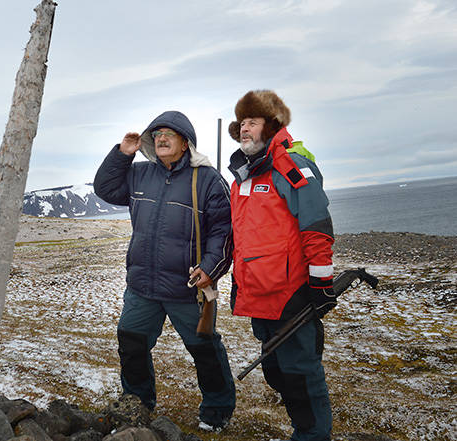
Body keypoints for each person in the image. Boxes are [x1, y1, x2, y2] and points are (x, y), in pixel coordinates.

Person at [93, 110, 236, 430]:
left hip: (187, 286)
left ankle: (217, 410)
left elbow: (224, 231)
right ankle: (137, 404)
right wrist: (122, 154)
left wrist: (211, 268)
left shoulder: (208, 179)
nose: (160, 138)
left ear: (186, 143)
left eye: (169, 134)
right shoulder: (140, 173)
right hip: (142, 285)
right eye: (156, 134)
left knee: (205, 349)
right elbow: (104, 188)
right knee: (131, 344)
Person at [227, 90, 336, 441]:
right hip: (259, 294)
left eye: (253, 122)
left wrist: (320, 283)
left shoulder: (291, 166)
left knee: (300, 373)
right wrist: (237, 284)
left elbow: (315, 225)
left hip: (291, 293)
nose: (244, 129)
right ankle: (303, 425)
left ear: (272, 126)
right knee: (277, 372)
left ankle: (312, 435)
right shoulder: (243, 176)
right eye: (242, 123)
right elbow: (242, 237)